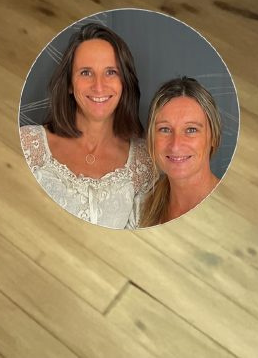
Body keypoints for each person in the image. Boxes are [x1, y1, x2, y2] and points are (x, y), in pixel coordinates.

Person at [18, 20, 155, 229]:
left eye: (111, 72)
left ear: (124, 83)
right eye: (86, 72)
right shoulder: (28, 143)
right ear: (69, 85)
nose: (99, 86)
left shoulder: (144, 164)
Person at [140, 77, 224, 225]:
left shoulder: (228, 209)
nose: (175, 145)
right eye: (165, 129)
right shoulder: (141, 204)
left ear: (213, 137)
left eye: (191, 130)